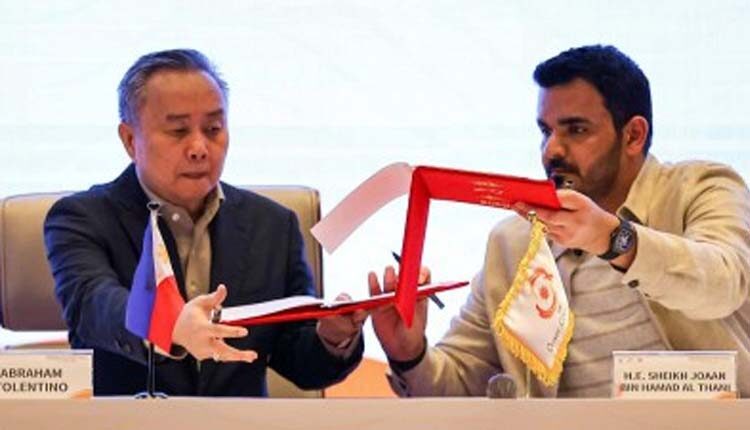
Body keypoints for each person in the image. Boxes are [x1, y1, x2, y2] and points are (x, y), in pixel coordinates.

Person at [369, 45, 750, 398]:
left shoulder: (699, 187)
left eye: (576, 130)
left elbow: (724, 282)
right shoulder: (513, 242)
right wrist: (409, 353)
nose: (552, 149)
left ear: (633, 135)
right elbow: (460, 385)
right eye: (545, 130)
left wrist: (612, 238)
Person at [44, 49, 365, 396]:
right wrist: (171, 324)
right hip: (131, 418)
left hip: (238, 421)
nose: (199, 147)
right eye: (178, 130)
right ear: (130, 140)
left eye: (213, 129)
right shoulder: (81, 219)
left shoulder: (272, 225)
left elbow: (298, 359)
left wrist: (331, 337)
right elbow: (95, 304)